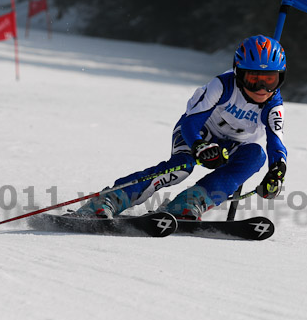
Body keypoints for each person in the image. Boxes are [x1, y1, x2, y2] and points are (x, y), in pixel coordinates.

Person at [77, 35, 288, 220]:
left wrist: (277, 172)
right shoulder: (222, 86)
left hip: (231, 145)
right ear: (239, 73)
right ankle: (109, 199)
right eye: (253, 80)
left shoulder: (273, 106)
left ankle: (188, 203)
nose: (262, 89)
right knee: (181, 168)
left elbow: (275, 143)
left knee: (255, 155)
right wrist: (199, 146)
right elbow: (190, 122)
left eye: (270, 80)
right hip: (198, 132)